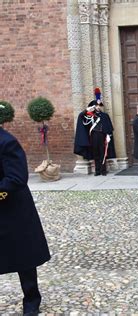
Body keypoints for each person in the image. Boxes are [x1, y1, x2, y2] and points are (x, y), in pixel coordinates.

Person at [0, 124, 51, 314]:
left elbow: (17, 178)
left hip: (13, 210)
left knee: (24, 259)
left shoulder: (7, 142)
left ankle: (31, 301)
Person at [73, 91, 116, 176]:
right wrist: (86, 110)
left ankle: (104, 170)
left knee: (103, 154)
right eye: (97, 105)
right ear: (94, 106)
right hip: (93, 137)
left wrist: (108, 135)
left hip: (102, 136)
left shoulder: (105, 116)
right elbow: (81, 116)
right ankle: (97, 171)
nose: (98, 107)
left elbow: (109, 127)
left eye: (99, 106)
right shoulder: (89, 115)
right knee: (95, 154)